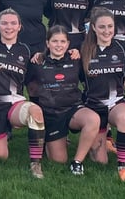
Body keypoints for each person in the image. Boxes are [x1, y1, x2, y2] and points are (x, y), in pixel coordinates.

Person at [0, 9, 46, 179]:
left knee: (35, 111)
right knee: (0, 157)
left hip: (15, 104)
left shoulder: (26, 51)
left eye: (12, 23)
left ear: (19, 27)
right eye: (4, 23)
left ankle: (36, 164)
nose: (8, 27)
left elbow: (35, 79)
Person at [26, 25, 100, 176]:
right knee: (58, 160)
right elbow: (30, 88)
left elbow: (88, 81)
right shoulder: (38, 62)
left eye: (62, 41)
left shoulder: (75, 60)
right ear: (47, 43)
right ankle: (48, 140)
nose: (59, 45)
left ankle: (77, 162)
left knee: (93, 119)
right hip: (51, 114)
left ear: (68, 44)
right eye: (54, 41)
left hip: (73, 109)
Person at [80, 7, 125, 181]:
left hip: (115, 104)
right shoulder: (83, 49)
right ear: (93, 27)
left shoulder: (122, 48)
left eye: (110, 26)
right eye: (102, 27)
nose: (107, 31)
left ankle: (123, 166)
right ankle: (98, 140)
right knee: (99, 162)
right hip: (94, 107)